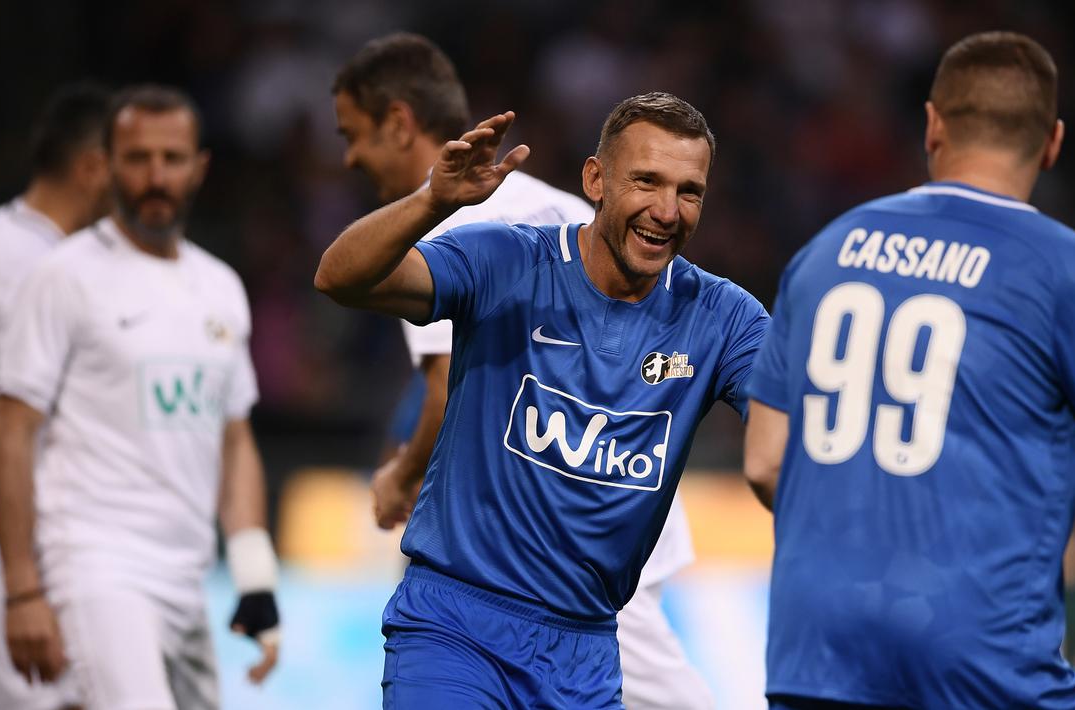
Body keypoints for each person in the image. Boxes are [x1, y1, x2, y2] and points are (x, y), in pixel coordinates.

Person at [743, 31, 1075, 709]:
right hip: (977, 659)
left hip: (814, 656)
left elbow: (764, 462)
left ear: (931, 126)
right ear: (1052, 142)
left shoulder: (823, 251)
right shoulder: (1070, 269)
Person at [316, 91, 768, 707]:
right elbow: (341, 277)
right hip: (455, 628)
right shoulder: (509, 262)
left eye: (689, 191)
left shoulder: (724, 318)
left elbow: (797, 427)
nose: (667, 210)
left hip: (586, 651)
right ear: (596, 179)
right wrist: (432, 202)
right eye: (646, 181)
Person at [0, 84, 281, 710]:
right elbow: (10, 431)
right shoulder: (63, 276)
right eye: (137, 158)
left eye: (172, 159)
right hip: (95, 569)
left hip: (186, 578)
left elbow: (234, 439)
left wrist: (255, 579)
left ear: (199, 167)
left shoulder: (220, 287)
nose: (155, 176)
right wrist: (20, 590)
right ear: (108, 165)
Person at [0, 81, 111, 710]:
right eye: (130, 161)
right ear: (92, 167)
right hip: (10, 545)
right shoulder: (35, 271)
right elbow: (27, 424)